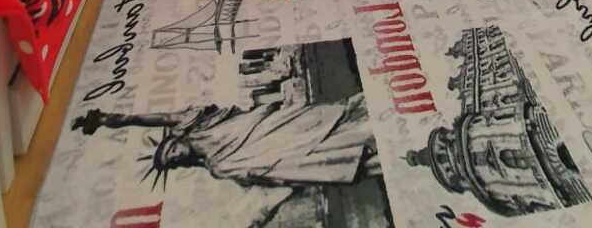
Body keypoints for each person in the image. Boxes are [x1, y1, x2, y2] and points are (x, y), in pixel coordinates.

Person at [72, 95, 381, 221]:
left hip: (281, 126)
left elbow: (158, 117)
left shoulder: (197, 124)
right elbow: (267, 182)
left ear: (175, 139)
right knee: (348, 147)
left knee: (344, 116)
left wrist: (112, 120)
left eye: (171, 151)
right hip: (293, 157)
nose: (177, 157)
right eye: (173, 162)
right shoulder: (219, 168)